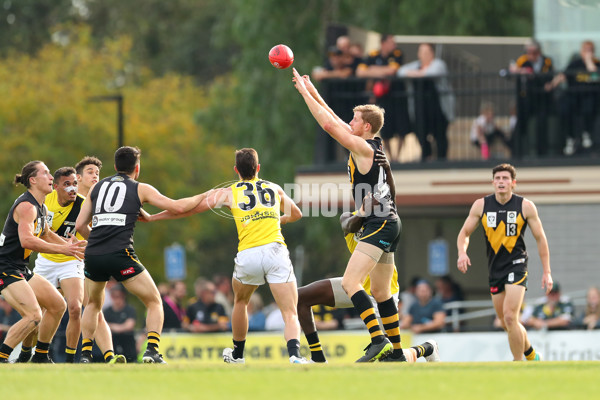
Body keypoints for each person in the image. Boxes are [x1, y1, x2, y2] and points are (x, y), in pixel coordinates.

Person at [148, 148, 307, 364]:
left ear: (236, 170)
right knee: (289, 312)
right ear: (258, 168)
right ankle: (295, 356)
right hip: (275, 250)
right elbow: (296, 213)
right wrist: (280, 220)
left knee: (240, 302)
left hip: (248, 253)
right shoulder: (274, 188)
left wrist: (154, 218)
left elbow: (189, 210)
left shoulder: (228, 193)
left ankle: (238, 355)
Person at [293, 68, 403, 362]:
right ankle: (398, 352)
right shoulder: (369, 144)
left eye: (355, 119)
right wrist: (313, 89)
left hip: (379, 222)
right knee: (380, 291)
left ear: (366, 127)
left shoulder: (362, 147)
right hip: (389, 222)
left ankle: (378, 339)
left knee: (350, 283)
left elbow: (329, 126)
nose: (349, 122)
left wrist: (304, 95)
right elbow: (336, 119)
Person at [75, 146, 207, 364]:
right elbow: (177, 207)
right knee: (155, 301)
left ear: (115, 166)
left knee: (93, 305)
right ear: (137, 168)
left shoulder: (96, 188)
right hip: (121, 254)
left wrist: (98, 242)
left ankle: (86, 354)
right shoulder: (140, 188)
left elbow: (80, 225)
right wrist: (205, 195)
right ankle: (152, 351)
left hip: (94, 253)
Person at [297, 173, 440, 362]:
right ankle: (317, 357)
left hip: (383, 292)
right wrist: (363, 213)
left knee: (392, 360)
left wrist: (387, 169)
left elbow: (392, 197)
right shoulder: (349, 217)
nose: (370, 197)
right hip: (355, 284)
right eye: (365, 194)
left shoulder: (387, 221)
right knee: (300, 297)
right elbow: (349, 225)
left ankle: (426, 348)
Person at [21, 166, 125, 364]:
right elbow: (40, 233)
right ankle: (28, 351)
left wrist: (92, 245)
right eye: (67, 184)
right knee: (37, 312)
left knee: (77, 308)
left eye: (74, 185)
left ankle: (72, 360)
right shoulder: (44, 201)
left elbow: (95, 236)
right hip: (46, 260)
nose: (72, 189)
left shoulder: (84, 205)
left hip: (71, 261)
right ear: (57, 186)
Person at [457, 163, 553, 361]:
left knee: (510, 316)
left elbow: (541, 239)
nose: (501, 182)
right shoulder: (481, 205)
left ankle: (518, 363)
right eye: (498, 178)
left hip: (517, 265)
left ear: (513, 183)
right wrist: (462, 252)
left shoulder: (525, 206)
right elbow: (464, 233)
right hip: (495, 269)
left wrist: (547, 272)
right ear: (493, 182)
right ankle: (532, 355)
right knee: (506, 322)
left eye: (505, 179)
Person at [0, 161, 86, 363]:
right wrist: (64, 249)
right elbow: (27, 240)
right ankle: (2, 358)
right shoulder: (27, 206)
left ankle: (39, 357)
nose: (50, 177)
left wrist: (71, 248)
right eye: (45, 173)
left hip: (19, 268)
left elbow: (46, 233)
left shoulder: (41, 207)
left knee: (57, 305)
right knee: (34, 315)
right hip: (5, 268)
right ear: (33, 180)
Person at [356, 34, 409, 162]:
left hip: (398, 96)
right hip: (382, 98)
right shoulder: (373, 55)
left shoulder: (397, 53)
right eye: (391, 42)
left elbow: (392, 71)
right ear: (383, 43)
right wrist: (380, 71)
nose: (394, 45)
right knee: (386, 127)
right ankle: (391, 156)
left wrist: (373, 69)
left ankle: (399, 155)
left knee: (402, 126)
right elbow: (360, 72)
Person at [398, 43, 455, 161]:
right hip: (420, 108)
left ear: (432, 54)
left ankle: (441, 159)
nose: (423, 55)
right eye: (421, 52)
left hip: (438, 108)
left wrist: (415, 74)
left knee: (440, 135)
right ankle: (427, 156)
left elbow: (432, 73)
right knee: (420, 132)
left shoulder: (438, 64)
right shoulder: (416, 66)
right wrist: (418, 73)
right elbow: (401, 72)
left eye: (426, 52)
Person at [546, 40, 599, 156]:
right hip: (574, 95)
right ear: (581, 51)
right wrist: (552, 84)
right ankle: (570, 138)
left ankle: (586, 133)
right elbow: (563, 75)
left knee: (589, 106)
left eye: (590, 50)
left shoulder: (596, 63)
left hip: (590, 96)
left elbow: (595, 76)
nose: (587, 53)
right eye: (585, 50)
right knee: (564, 108)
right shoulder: (575, 63)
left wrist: (589, 61)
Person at [509, 39, 554, 157]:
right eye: (529, 52)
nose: (531, 55)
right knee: (521, 124)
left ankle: (542, 153)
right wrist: (520, 71)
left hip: (542, 98)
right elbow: (511, 70)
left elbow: (548, 76)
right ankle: (516, 152)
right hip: (526, 98)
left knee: (542, 125)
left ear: (538, 52)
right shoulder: (523, 60)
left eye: (534, 52)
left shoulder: (547, 61)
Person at [103, 284, 138, 362]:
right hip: (113, 342)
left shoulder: (129, 310)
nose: (117, 299)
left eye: (119, 296)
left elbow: (129, 325)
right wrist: (121, 327)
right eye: (114, 296)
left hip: (128, 343)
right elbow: (103, 326)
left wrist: (113, 327)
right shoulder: (107, 312)